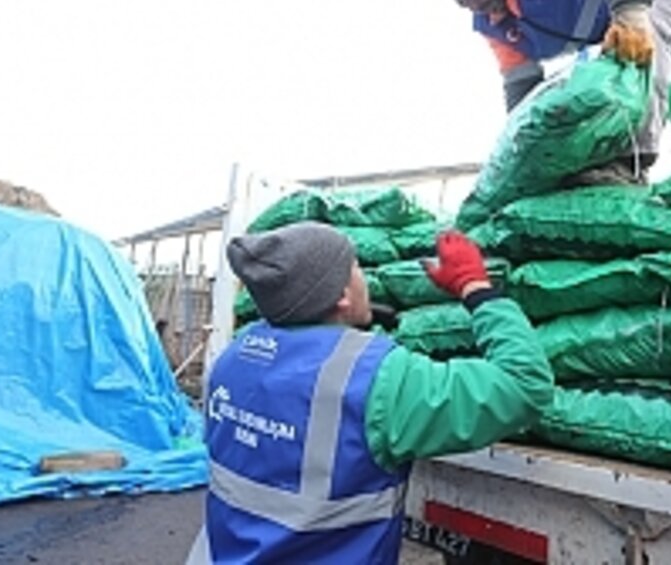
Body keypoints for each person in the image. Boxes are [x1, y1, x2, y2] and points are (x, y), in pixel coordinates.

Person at [193, 222, 553, 564]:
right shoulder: (376, 378)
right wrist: (476, 288)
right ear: (343, 295)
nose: (364, 277)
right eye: (356, 267)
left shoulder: (233, 357)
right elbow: (524, 383)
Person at [443, 0, 671, 183]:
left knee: (635, 38)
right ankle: (590, 161)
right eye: (460, 1)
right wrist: (524, 158)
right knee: (567, 96)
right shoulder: (496, 26)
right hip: (611, 11)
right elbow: (522, 93)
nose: (471, 4)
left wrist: (631, 8)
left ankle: (630, 162)